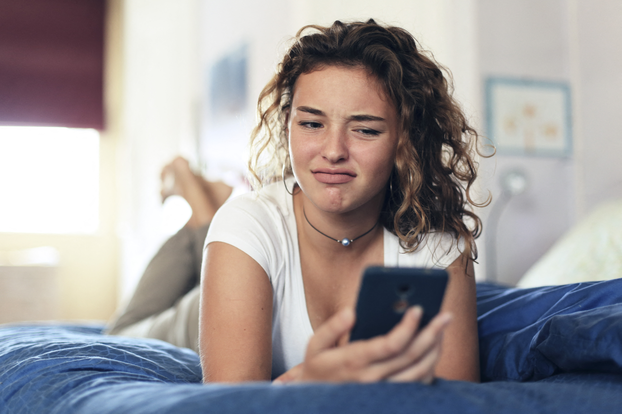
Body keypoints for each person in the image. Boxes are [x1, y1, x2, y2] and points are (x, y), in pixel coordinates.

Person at [200, 19, 489, 384]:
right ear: (288, 123)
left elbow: (458, 401)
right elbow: (228, 406)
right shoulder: (246, 224)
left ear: (405, 138)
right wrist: (312, 383)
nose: (333, 151)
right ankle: (191, 192)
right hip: (189, 305)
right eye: (312, 124)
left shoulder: (438, 248)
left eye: (365, 130)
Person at [104, 156, 239, 351]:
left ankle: (196, 196)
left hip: (128, 336)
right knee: (122, 331)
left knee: (118, 334)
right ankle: (197, 197)